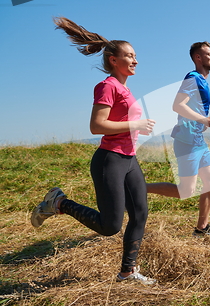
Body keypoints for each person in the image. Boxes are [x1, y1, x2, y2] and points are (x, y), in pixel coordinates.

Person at [31, 17, 157, 285]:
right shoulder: (108, 86)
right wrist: (136, 123)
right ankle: (58, 202)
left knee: (140, 213)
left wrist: (137, 129)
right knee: (110, 226)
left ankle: (127, 272)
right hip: (109, 160)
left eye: (136, 56)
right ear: (113, 59)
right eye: (130, 56)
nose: (135, 60)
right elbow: (96, 125)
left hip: (129, 159)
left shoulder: (125, 89)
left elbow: (121, 123)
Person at [146, 41, 210, 237]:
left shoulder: (202, 81)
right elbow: (178, 105)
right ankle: (140, 187)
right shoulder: (193, 77)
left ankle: (202, 228)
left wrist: (202, 122)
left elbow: (190, 109)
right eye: (209, 54)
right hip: (187, 141)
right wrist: (202, 119)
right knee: (186, 191)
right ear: (198, 58)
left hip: (197, 139)